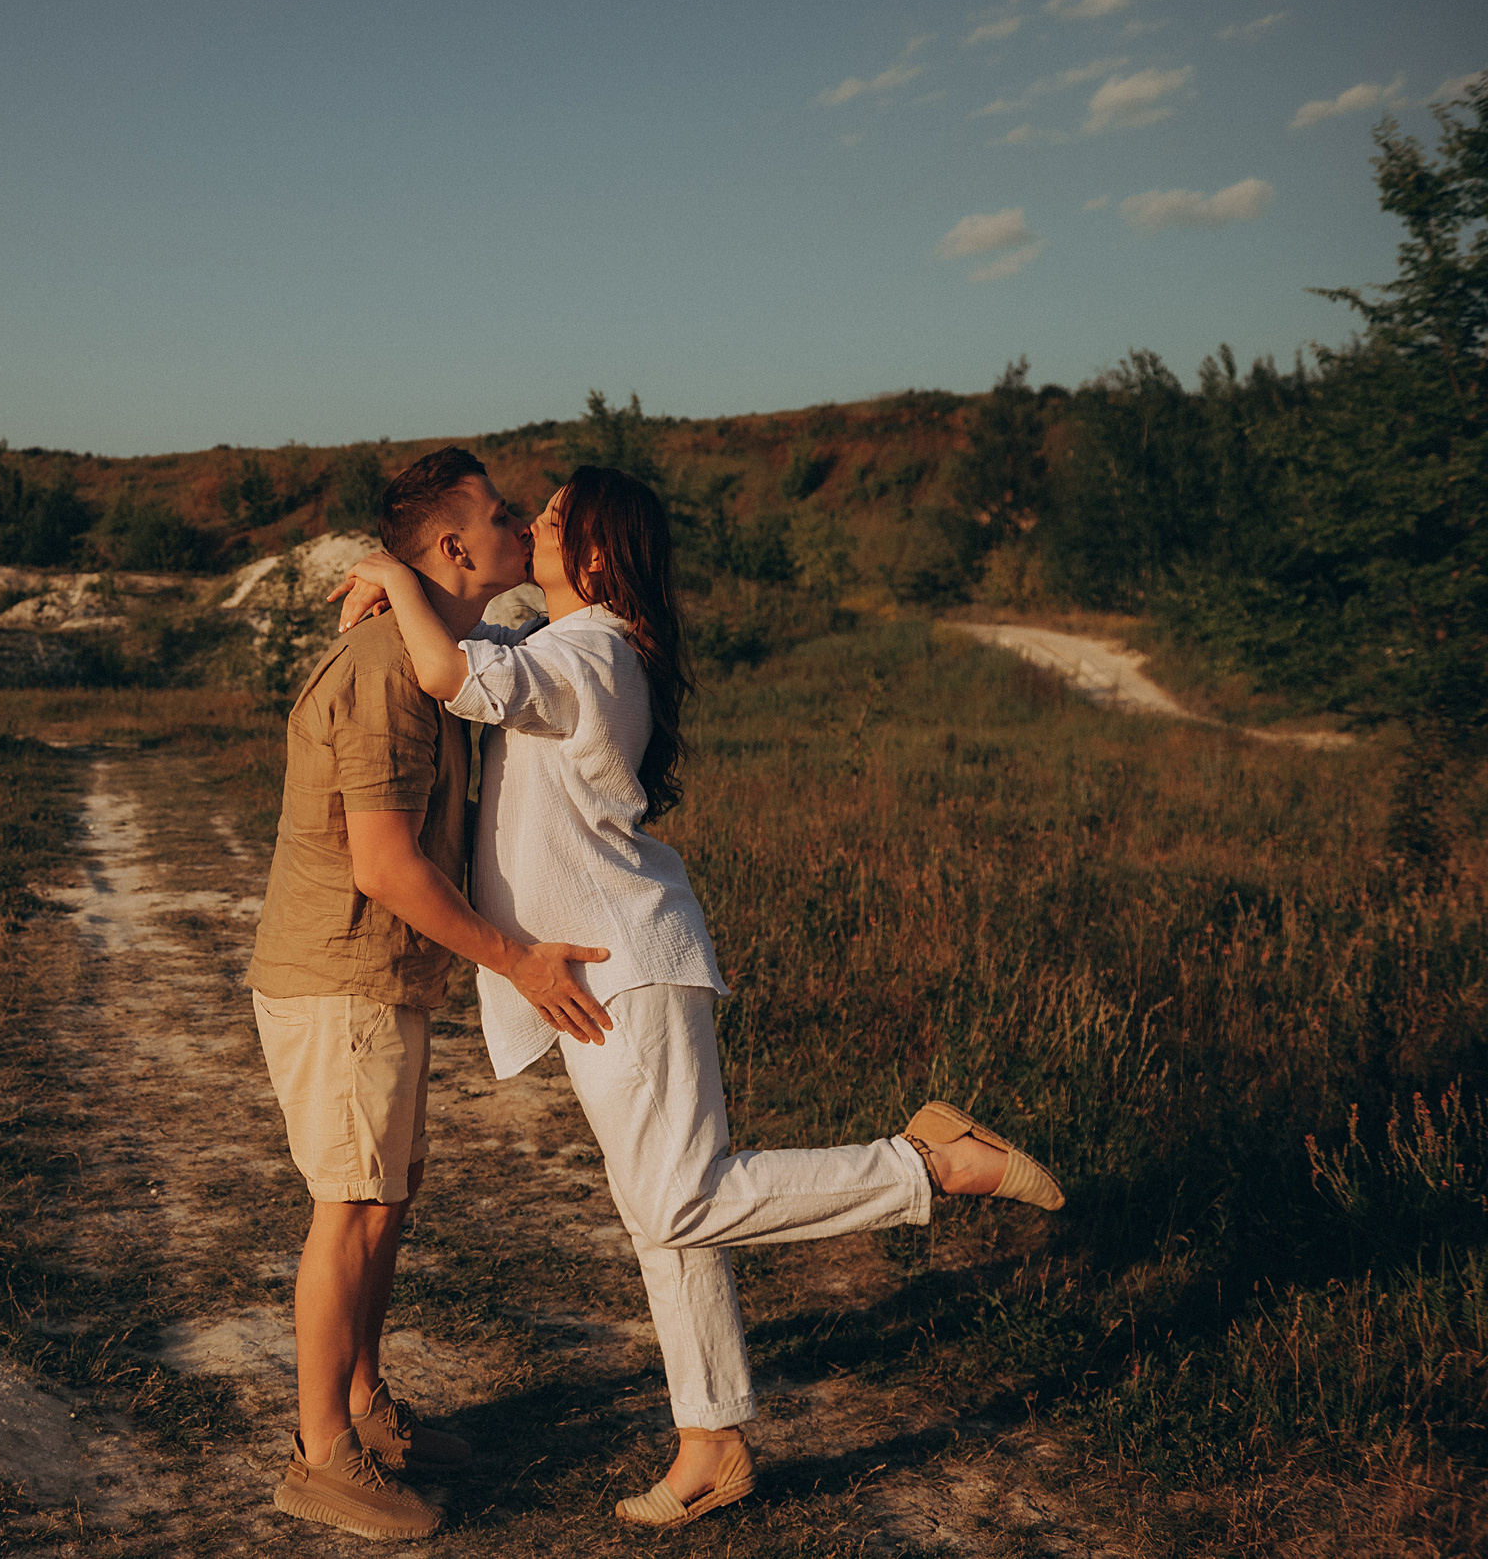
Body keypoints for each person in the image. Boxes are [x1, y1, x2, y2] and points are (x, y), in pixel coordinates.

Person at [335, 465, 1065, 1531]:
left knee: (680, 1197)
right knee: (663, 1212)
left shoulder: (585, 651)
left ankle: (927, 1161)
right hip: (601, 967)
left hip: (621, 965)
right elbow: (483, 651)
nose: (530, 524)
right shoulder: (581, 644)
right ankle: (710, 1440)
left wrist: (389, 575)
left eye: (548, 519)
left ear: (592, 555)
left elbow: (451, 673)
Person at [245, 447, 614, 1542]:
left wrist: (395, 578)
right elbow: (386, 867)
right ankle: (320, 1455)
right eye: (501, 516)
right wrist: (519, 959)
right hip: (340, 974)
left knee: (386, 1195)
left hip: (379, 975)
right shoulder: (384, 672)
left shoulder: (436, 645)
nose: (515, 527)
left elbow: (522, 659)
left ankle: (364, 1406)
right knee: (351, 1208)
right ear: (455, 548)